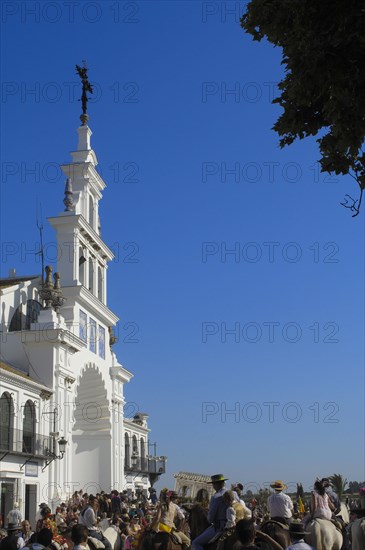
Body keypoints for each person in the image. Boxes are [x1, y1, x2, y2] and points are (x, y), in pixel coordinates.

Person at [192, 474, 229, 550]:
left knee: (195, 543)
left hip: (220, 527)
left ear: (215, 484)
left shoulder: (215, 497)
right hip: (234, 526)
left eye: (213, 484)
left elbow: (210, 519)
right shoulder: (234, 494)